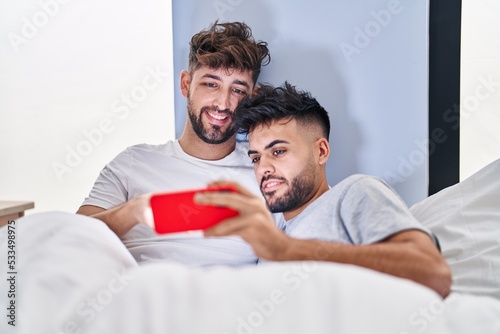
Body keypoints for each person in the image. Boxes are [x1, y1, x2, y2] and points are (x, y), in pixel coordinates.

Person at [195, 82, 452, 297]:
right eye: (256, 158)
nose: (264, 168)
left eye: (278, 151)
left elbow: (434, 274)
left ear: (321, 151)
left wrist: (285, 250)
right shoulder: (269, 244)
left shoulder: (355, 192)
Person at [76, 21, 272, 267]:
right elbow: (73, 238)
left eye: (238, 91)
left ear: (252, 98)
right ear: (185, 84)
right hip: (143, 295)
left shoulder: (266, 172)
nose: (222, 103)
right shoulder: (134, 162)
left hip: (228, 299)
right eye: (211, 84)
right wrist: (136, 211)